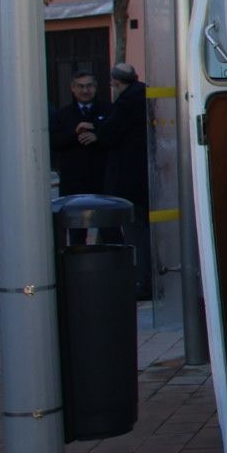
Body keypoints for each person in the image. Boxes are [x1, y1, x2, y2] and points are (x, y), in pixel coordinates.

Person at [83, 62, 151, 299]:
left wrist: (97, 133)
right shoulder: (145, 94)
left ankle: (143, 281)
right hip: (145, 177)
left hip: (130, 179)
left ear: (117, 83)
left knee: (135, 232)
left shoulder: (126, 101)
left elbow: (111, 132)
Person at [50, 71, 111, 197]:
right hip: (73, 182)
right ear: (73, 88)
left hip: (102, 179)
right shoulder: (62, 114)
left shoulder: (109, 110)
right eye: (80, 86)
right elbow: (54, 142)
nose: (85, 90)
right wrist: (75, 132)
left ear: (95, 87)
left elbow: (117, 137)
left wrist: (98, 136)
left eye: (89, 86)